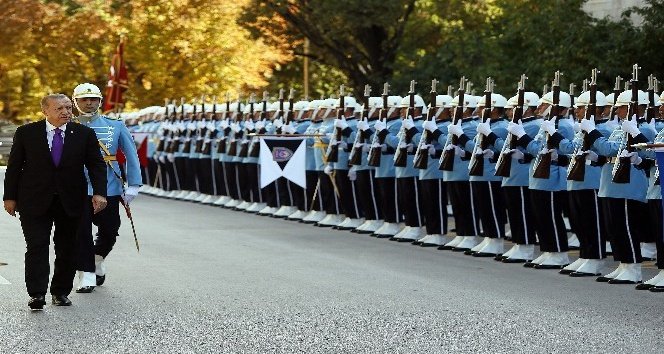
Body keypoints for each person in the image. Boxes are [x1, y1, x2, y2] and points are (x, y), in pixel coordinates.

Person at [3, 93, 107, 310]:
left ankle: (60, 292)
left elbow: (96, 165)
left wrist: (99, 193)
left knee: (67, 247)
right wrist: (9, 197)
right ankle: (37, 294)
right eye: (59, 108)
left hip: (71, 200)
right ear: (45, 111)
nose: (66, 112)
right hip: (34, 200)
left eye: (68, 108)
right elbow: (14, 167)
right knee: (37, 245)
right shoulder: (26, 133)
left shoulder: (83, 134)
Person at [71, 83, 141, 292]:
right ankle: (87, 274)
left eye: (93, 99)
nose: (89, 103)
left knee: (110, 231)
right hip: (77, 187)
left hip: (109, 186)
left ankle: (96, 259)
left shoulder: (116, 125)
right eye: (84, 99)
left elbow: (131, 155)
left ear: (100, 101)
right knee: (80, 232)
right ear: (76, 102)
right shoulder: (68, 125)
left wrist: (133, 185)